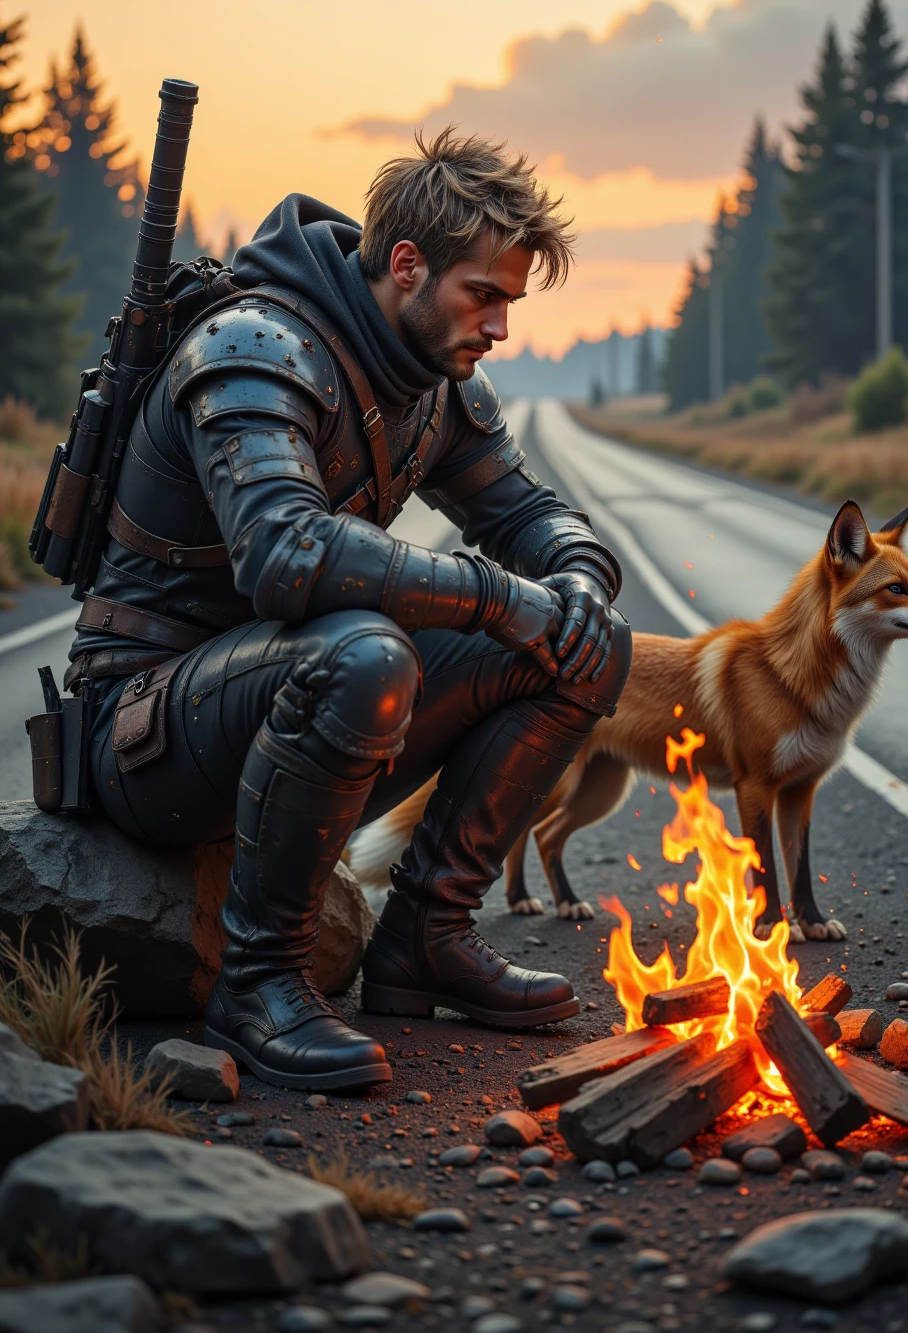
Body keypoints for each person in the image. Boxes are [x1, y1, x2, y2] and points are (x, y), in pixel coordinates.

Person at [69, 128, 631, 1092]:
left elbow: (535, 514)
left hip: (287, 701)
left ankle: (424, 939)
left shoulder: (436, 385)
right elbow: (285, 557)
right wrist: (500, 596)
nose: (500, 328)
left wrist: (575, 580)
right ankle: (258, 985)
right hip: (147, 730)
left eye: (509, 302)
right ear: (407, 265)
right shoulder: (254, 347)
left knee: (588, 646)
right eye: (483, 295)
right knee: (367, 655)